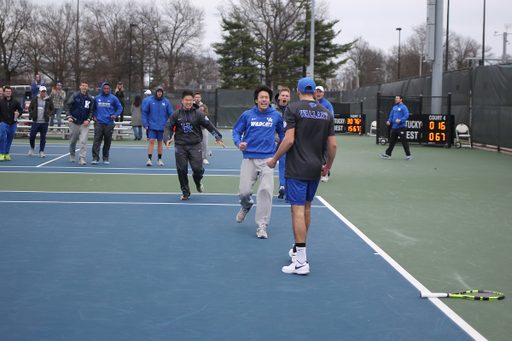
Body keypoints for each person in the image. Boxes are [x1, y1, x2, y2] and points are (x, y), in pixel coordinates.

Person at [267, 77, 337, 275]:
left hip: (297, 168)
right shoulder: (326, 112)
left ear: (298, 91)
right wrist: (327, 166)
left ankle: (301, 263)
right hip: (315, 168)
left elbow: (288, 140)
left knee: (297, 212)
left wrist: (274, 159)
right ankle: (298, 251)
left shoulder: (292, 109)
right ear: (315, 92)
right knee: (306, 209)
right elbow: (332, 145)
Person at [233, 85, 285, 239]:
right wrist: (238, 143)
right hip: (249, 158)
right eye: (261, 97)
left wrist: (280, 150)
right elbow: (236, 131)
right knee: (244, 192)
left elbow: (282, 135)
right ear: (256, 100)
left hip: (268, 159)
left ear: (269, 100)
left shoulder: (276, 116)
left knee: (266, 191)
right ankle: (246, 205)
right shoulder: (247, 115)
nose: (264, 100)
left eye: (266, 97)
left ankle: (262, 225)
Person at [164, 90, 224, 200]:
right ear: (182, 101)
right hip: (180, 145)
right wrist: (167, 138)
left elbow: (209, 125)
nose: (188, 102)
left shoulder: (198, 114)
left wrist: (218, 137)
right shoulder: (176, 114)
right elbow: (168, 127)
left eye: (190, 100)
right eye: (186, 100)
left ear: (193, 101)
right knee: (182, 169)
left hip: (195, 145)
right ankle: (185, 191)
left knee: (198, 169)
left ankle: (197, 181)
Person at [91, 82, 123, 164]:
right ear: (102, 89)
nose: (106, 90)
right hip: (99, 122)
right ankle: (95, 158)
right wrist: (94, 116)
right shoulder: (97, 98)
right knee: (97, 140)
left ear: (110, 89)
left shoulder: (113, 98)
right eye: (104, 88)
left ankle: (105, 157)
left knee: (107, 141)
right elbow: (93, 108)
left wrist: (115, 115)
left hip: (109, 123)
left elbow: (120, 107)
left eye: (107, 88)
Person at [142, 86, 173, 166]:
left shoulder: (166, 102)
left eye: (161, 92)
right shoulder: (150, 101)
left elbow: (171, 114)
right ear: (156, 92)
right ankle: (149, 159)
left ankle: (159, 159)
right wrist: (145, 123)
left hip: (162, 126)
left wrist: (169, 123)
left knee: (160, 142)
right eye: (158, 91)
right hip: (152, 126)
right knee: (151, 141)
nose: (159, 93)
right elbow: (144, 112)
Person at [66, 81, 94, 165]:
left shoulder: (90, 98)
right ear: (80, 86)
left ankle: (82, 158)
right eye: (83, 85)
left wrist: (88, 119)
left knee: (83, 141)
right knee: (73, 140)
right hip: (74, 122)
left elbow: (91, 111)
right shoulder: (75, 96)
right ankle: (72, 154)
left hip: (84, 123)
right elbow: (68, 106)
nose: (84, 87)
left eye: (86, 86)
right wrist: (69, 116)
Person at [271, 87, 291, 200]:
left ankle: (282, 186)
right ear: (279, 97)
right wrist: (272, 139)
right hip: (272, 142)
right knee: (265, 165)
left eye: (286, 96)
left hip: (284, 142)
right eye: (282, 95)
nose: (284, 97)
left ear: (289, 98)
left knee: (283, 164)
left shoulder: (292, 110)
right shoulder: (272, 108)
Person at [381, 95, 411, 160]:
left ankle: (408, 155)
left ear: (401, 99)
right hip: (394, 128)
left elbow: (406, 116)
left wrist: (400, 120)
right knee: (391, 141)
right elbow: (391, 115)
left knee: (404, 141)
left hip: (401, 127)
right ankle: (388, 154)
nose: (396, 100)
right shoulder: (394, 107)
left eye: (397, 98)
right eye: (395, 98)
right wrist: (389, 121)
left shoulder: (404, 107)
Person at [28, 86, 55, 158]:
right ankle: (32, 147)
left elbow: (52, 109)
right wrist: (32, 114)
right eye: (42, 91)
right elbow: (30, 108)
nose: (43, 93)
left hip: (44, 122)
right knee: (32, 136)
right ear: (39, 92)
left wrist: (48, 114)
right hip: (36, 121)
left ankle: (41, 151)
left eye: (44, 91)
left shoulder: (49, 100)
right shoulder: (34, 99)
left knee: (43, 137)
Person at [315, 85, 334, 183]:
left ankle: (326, 174)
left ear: (323, 93)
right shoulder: (312, 103)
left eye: (320, 92)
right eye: (317, 91)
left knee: (325, 154)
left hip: (324, 133)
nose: (318, 93)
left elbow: (331, 118)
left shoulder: (327, 104)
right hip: (315, 134)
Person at [0, 86, 23, 161]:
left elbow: (21, 110)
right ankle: (2, 153)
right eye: (6, 91)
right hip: (4, 123)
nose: (8, 92)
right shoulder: (1, 102)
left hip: (12, 123)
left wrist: (18, 113)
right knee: (3, 138)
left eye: (9, 91)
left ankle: (7, 153)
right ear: (4, 92)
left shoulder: (15, 101)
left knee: (10, 139)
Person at [194, 92, 211, 164]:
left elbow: (207, 116)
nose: (197, 98)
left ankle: (205, 158)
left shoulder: (204, 106)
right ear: (194, 98)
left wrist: (202, 111)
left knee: (204, 143)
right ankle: (195, 157)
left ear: (200, 98)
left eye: (198, 97)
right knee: (195, 143)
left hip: (203, 127)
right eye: (196, 97)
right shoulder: (192, 105)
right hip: (195, 128)